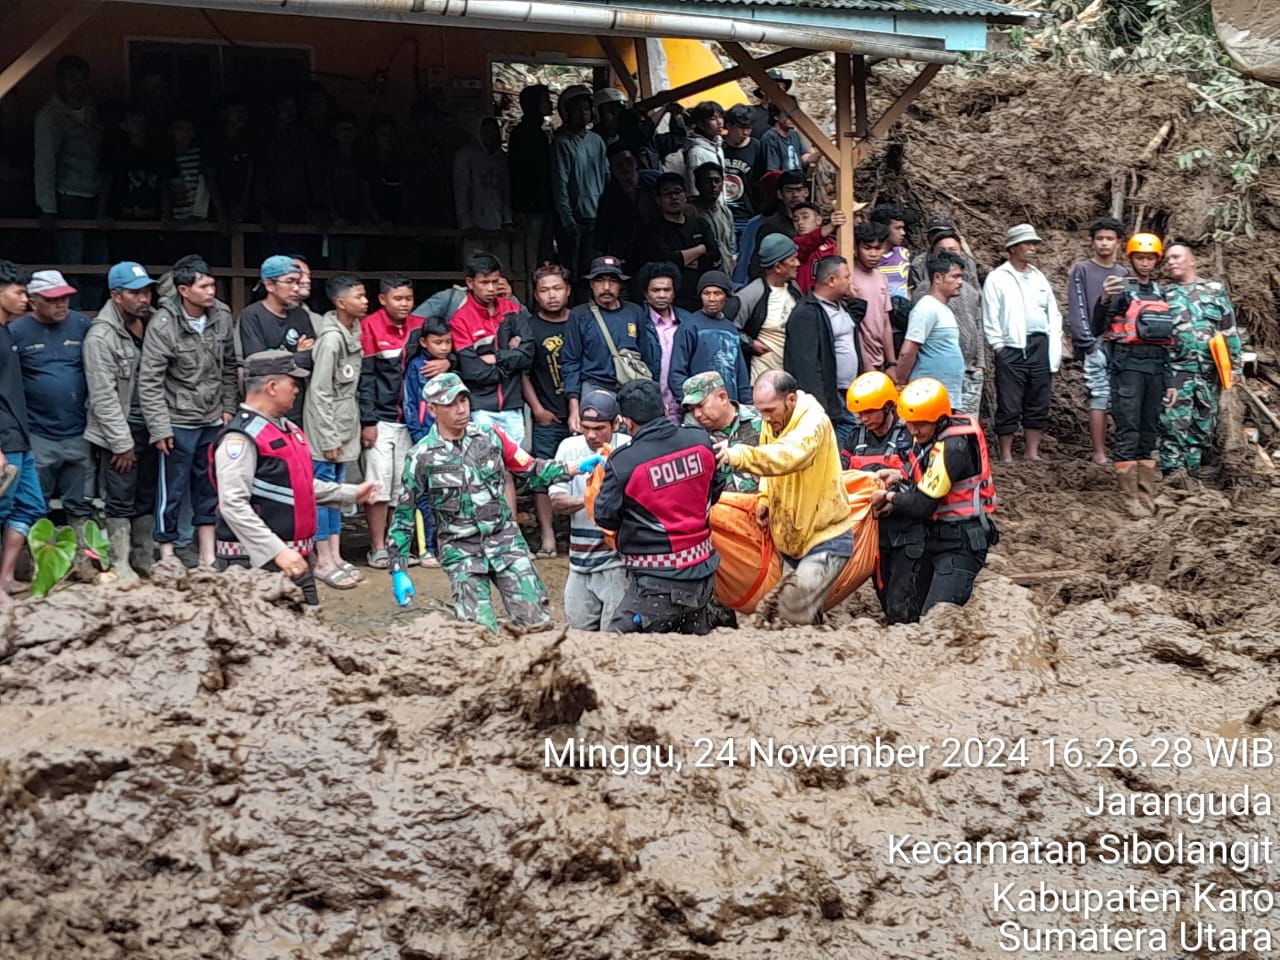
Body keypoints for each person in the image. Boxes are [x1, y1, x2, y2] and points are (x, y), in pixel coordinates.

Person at [386, 373, 599, 630]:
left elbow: (531, 468)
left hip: (505, 543)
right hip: (462, 551)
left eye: (463, 400)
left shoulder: (490, 437)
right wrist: (398, 569)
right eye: (451, 404)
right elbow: (404, 515)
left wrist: (574, 468)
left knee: (538, 623)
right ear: (432, 409)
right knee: (479, 632)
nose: (461, 409)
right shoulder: (421, 457)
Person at [214, 351, 379, 605]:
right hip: (253, 565)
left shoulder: (287, 429)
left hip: (294, 559)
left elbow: (298, 486)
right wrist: (277, 551)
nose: (297, 391)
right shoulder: (240, 437)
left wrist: (349, 493)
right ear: (272, 387)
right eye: (292, 383)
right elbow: (233, 504)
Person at [718, 370, 852, 625]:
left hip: (826, 537)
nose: (765, 419)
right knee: (795, 619)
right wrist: (765, 497)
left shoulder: (813, 422)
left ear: (790, 400)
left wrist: (739, 456)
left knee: (789, 610)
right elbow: (770, 459)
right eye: (760, 411)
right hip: (792, 541)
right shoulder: (773, 423)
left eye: (769, 410)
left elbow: (788, 456)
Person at [593, 379, 722, 634]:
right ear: (664, 409)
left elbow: (605, 518)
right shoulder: (701, 441)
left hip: (657, 583)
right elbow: (715, 491)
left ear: (626, 422)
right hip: (704, 573)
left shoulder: (624, 463)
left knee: (612, 653)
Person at [138, 257, 238, 567]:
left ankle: (208, 555)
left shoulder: (221, 314)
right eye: (204, 286)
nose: (212, 291)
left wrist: (228, 408)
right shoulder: (163, 323)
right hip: (177, 420)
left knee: (209, 484)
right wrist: (159, 428)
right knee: (172, 489)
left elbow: (230, 366)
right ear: (184, 290)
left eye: (212, 284)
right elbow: (150, 380)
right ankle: (167, 553)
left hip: (212, 417)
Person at [872, 378, 998, 623]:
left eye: (921, 425)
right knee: (911, 614)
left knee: (936, 621)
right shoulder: (934, 435)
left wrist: (889, 497)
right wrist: (900, 476)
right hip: (934, 538)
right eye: (909, 424)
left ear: (940, 419)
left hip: (961, 544)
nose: (914, 430)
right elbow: (929, 476)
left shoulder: (953, 446)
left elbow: (922, 504)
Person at [1089, 234, 1175, 516]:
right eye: (1140, 257)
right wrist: (1104, 299)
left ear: (1157, 260)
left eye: (1150, 258)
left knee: (1149, 432)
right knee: (1129, 430)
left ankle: (1146, 496)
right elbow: (1097, 326)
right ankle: (1130, 499)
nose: (1146, 263)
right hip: (1127, 369)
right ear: (1131, 258)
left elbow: (1171, 341)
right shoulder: (1122, 291)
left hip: (1156, 369)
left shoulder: (1162, 293)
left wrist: (1171, 381)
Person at [84, 262, 159, 581]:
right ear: (116, 296)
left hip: (151, 426)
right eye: (135, 293)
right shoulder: (101, 336)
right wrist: (121, 442)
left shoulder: (154, 322)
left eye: (146, 291)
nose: (144, 298)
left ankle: (144, 556)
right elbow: (102, 396)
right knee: (119, 497)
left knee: (146, 493)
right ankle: (121, 560)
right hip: (121, 429)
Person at [9, 270, 94, 537]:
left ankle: (84, 561)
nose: (62, 304)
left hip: (79, 430)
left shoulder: (81, 324)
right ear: (33, 301)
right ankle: (35, 564)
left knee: (81, 504)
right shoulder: (15, 332)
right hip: (37, 433)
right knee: (35, 503)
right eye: (53, 299)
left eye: (66, 298)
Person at [1157, 242, 1242, 485]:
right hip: (1177, 371)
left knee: (1203, 424)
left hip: (1209, 372)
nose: (1171, 262)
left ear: (1192, 260)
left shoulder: (1214, 290)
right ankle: (1172, 474)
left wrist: (1234, 367)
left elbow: (1228, 330)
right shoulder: (1165, 294)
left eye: (1176, 257)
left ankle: (1192, 474)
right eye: (1168, 259)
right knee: (1173, 423)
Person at [304, 273, 368, 588]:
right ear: (341, 302)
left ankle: (337, 554)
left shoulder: (353, 331)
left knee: (339, 491)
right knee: (324, 492)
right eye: (359, 296)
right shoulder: (330, 339)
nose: (365, 301)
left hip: (345, 423)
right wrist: (328, 436)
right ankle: (323, 559)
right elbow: (319, 392)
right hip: (326, 427)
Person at [358, 275, 423, 568]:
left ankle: (398, 545)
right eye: (398, 299)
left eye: (408, 298)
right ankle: (378, 547)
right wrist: (368, 420)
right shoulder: (369, 326)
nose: (404, 304)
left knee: (402, 487)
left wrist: (447, 362)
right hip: (381, 420)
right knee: (378, 486)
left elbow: (443, 352)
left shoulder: (420, 326)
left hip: (410, 420)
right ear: (382, 299)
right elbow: (365, 377)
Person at [983, 223, 1062, 462]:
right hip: (1012, 347)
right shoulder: (998, 278)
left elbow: (1052, 312)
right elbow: (990, 314)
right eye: (1027, 244)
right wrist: (999, 346)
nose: (1032, 248)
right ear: (1013, 248)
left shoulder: (1039, 278)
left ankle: (1032, 452)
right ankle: (1006, 454)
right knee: (1009, 401)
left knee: (1038, 399)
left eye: (1034, 244)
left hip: (1039, 344)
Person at [550, 390, 630, 629]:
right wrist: (592, 500)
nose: (591, 435)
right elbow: (557, 501)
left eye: (599, 428)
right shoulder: (569, 447)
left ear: (616, 423)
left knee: (614, 637)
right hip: (579, 562)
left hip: (616, 563)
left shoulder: (628, 448)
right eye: (585, 428)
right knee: (578, 635)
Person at [34, 55, 105, 307]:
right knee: (72, 263)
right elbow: (45, 163)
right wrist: (48, 208)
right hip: (67, 196)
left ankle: (94, 312)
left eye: (82, 79)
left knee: (98, 263)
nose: (78, 84)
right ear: (60, 81)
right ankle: (74, 315)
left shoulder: (93, 110)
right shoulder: (50, 116)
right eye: (72, 79)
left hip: (96, 196)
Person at [561, 256, 661, 432]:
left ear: (620, 285)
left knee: (634, 443)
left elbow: (648, 356)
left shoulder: (635, 312)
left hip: (631, 391)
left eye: (612, 281)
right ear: (591, 284)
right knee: (596, 444)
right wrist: (574, 409)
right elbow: (571, 362)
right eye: (600, 281)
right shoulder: (579, 315)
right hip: (594, 387)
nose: (606, 287)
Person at [450, 252, 534, 445]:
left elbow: (528, 354)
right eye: (485, 282)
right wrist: (512, 362)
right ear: (470, 283)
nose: (491, 288)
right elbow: (472, 371)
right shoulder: (460, 319)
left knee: (518, 467)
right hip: (481, 408)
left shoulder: (512, 309)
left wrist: (495, 357)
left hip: (513, 406)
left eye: (495, 282)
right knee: (485, 466)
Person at [783, 256, 865, 446]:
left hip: (850, 391)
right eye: (846, 277)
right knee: (843, 439)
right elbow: (807, 365)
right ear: (831, 280)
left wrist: (854, 299)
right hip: (830, 395)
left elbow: (855, 320)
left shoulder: (841, 306)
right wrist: (820, 407)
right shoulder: (807, 312)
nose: (850, 282)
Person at [0, 261, 44, 608]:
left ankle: (7, 577)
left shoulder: (7, 332)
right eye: (18, 292)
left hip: (20, 437)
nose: (26, 300)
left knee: (30, 504)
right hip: (4, 440)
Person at [910, 221, 986, 417]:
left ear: (962, 253)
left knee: (967, 426)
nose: (947, 253)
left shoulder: (969, 291)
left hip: (969, 369)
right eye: (941, 250)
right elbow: (912, 344)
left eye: (952, 249)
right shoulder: (925, 294)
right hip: (937, 373)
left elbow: (978, 325)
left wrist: (981, 362)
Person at [1069, 218, 1129, 464]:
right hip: (1095, 343)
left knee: (1122, 395)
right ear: (1092, 242)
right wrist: (1087, 342)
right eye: (1100, 238)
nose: (1104, 243)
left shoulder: (1123, 273)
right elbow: (1077, 306)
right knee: (1099, 395)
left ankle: (1121, 448)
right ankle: (1099, 451)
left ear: (1118, 243)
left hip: (1119, 343)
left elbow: (1126, 309)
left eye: (1110, 239)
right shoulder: (1082, 269)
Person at [523, 264, 573, 558]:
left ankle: (583, 531)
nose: (551, 296)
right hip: (547, 416)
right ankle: (547, 537)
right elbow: (524, 373)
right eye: (544, 290)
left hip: (581, 416)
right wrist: (538, 409)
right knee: (542, 476)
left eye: (557, 289)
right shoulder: (529, 326)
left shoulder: (579, 321)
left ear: (567, 290)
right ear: (536, 294)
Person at [237, 256, 316, 418]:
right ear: (270, 285)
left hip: (295, 401)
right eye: (290, 281)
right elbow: (260, 363)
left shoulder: (301, 315)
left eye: (298, 282)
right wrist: (296, 356)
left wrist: (278, 358)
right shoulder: (252, 315)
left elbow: (309, 358)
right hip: (265, 405)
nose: (296, 288)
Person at [639, 173, 722, 311]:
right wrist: (700, 249)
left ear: (685, 195)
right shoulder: (652, 230)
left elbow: (714, 255)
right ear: (659, 200)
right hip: (672, 299)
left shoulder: (700, 223)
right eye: (668, 194)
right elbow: (666, 262)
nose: (674, 197)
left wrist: (683, 259)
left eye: (678, 192)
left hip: (703, 295)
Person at [668, 271, 752, 407]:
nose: (711, 298)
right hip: (700, 407)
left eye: (717, 293)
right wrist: (691, 404)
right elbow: (677, 372)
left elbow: (740, 373)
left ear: (726, 297)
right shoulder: (690, 326)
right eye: (706, 293)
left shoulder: (731, 329)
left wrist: (747, 404)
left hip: (729, 406)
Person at [552, 84, 608, 284]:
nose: (583, 114)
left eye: (586, 108)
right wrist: (567, 217)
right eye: (577, 109)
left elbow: (605, 176)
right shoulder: (562, 142)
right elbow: (560, 181)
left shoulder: (597, 141)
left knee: (591, 269)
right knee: (570, 271)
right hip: (574, 217)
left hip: (596, 216)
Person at [898, 252, 967, 409]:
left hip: (945, 396)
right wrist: (901, 383)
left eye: (961, 277)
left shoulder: (943, 309)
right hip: (927, 397)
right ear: (937, 278)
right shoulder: (926, 308)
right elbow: (907, 351)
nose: (960, 282)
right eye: (954, 276)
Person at [730, 233, 802, 381]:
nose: (798, 264)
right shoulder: (751, 294)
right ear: (778, 267)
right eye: (792, 259)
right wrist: (750, 344)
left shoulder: (794, 289)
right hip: (761, 376)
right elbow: (730, 329)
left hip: (791, 373)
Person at [682, 371, 762, 492]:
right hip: (720, 508)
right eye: (691, 409)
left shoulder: (761, 421)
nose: (696, 414)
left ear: (722, 397)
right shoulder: (694, 438)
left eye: (700, 405)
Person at [509, 84, 555, 283]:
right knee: (531, 258)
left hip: (542, 204)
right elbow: (517, 172)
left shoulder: (538, 132)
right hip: (530, 206)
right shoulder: (524, 134)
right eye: (545, 99)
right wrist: (518, 207)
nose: (550, 103)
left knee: (541, 256)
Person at [636, 261, 690, 424]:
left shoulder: (688, 321)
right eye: (655, 290)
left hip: (684, 403)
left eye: (667, 290)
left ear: (674, 293)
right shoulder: (638, 322)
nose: (661, 295)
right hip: (651, 405)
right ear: (646, 293)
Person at [594, 142, 658, 274]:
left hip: (658, 248)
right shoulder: (608, 198)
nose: (625, 168)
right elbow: (602, 236)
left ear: (636, 162)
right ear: (612, 169)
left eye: (628, 162)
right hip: (627, 257)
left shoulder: (654, 181)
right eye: (619, 165)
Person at [847, 220, 897, 375]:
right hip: (858, 361)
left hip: (880, 360)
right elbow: (852, 325)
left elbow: (885, 322)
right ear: (856, 247)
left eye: (878, 248)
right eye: (867, 248)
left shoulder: (882, 278)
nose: (873, 254)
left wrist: (891, 363)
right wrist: (866, 362)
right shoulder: (849, 278)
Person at [842, 371, 914, 472]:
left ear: (887, 407)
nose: (864, 419)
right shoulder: (854, 437)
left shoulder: (908, 434)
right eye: (860, 413)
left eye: (869, 412)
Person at [453, 116, 512, 234]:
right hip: (474, 226)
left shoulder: (500, 158)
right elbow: (461, 190)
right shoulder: (465, 156)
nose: (491, 135)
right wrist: (466, 223)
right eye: (486, 131)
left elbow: (506, 190)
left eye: (494, 131)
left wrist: (507, 221)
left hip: (498, 224)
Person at [721, 105, 764, 237]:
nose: (746, 132)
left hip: (747, 214)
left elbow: (761, 181)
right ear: (729, 126)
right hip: (722, 214)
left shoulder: (756, 147)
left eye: (749, 128)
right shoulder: (718, 147)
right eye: (741, 128)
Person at [690, 163, 737, 275]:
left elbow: (731, 246)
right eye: (707, 181)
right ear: (698, 185)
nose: (713, 185)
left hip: (727, 272)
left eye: (717, 181)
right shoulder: (691, 213)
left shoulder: (725, 212)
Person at [792, 203, 841, 295]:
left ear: (818, 220)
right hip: (805, 300)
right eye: (795, 220)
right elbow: (808, 242)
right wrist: (831, 226)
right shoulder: (794, 245)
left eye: (805, 217)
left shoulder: (834, 244)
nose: (800, 223)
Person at [870, 205, 911, 301]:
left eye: (903, 228)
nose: (903, 233)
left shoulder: (903, 254)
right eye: (897, 228)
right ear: (884, 229)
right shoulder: (870, 257)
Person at [760, 105, 815, 174]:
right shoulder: (770, 138)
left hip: (798, 180)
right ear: (776, 116)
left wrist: (823, 151)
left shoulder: (794, 134)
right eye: (787, 115)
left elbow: (805, 159)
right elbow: (773, 172)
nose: (792, 118)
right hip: (785, 182)